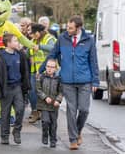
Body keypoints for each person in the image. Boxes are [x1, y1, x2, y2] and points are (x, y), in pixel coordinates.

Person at [39, 15, 99, 150]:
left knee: (84, 110)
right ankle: (73, 139)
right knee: (71, 110)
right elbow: (52, 54)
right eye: (67, 27)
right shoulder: (62, 38)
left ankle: (78, 131)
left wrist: (95, 81)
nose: (68, 30)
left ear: (78, 28)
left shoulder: (89, 40)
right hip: (67, 81)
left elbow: (93, 61)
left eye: (70, 28)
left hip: (85, 81)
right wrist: (41, 69)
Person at [0, 33, 30, 145]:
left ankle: (16, 131)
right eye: (15, 41)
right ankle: (4, 136)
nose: (18, 43)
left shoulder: (20, 55)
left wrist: (26, 86)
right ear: (8, 43)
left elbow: (25, 70)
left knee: (20, 109)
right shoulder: (0, 57)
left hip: (17, 87)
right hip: (6, 88)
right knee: (5, 114)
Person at [28, 24, 56, 123]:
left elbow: (53, 48)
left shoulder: (49, 38)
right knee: (31, 92)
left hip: (48, 71)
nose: (31, 35)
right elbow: (28, 52)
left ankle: (48, 114)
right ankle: (35, 111)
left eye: (32, 33)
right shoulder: (33, 41)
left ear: (38, 32)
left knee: (48, 93)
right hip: (34, 71)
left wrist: (39, 47)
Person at [37, 59, 62, 148]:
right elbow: (38, 89)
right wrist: (45, 97)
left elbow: (61, 92)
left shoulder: (58, 79)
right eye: (48, 66)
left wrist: (58, 100)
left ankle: (53, 140)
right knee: (45, 121)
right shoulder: (41, 77)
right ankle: (45, 135)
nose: (49, 69)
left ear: (55, 68)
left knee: (53, 124)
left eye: (52, 67)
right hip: (44, 105)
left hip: (54, 106)